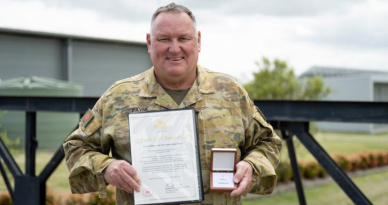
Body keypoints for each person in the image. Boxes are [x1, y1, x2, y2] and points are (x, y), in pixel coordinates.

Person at [63, 3, 282, 205]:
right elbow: (75, 147)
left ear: (198, 41)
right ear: (149, 43)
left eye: (183, 38)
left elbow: (268, 143)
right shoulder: (118, 97)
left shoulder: (230, 92)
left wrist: (251, 166)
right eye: (164, 39)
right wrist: (107, 167)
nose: (174, 48)